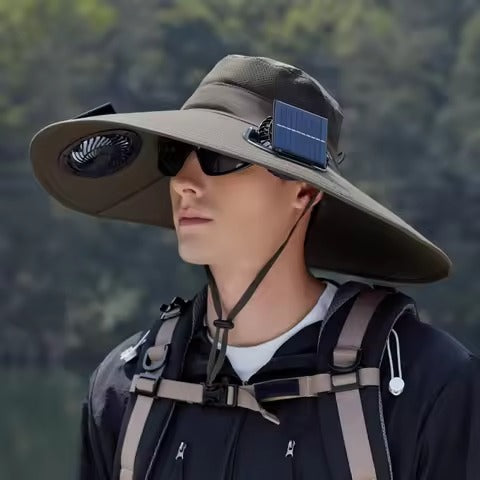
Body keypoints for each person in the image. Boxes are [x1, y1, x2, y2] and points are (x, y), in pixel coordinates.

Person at [30, 54, 480, 480]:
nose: (185, 182)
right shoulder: (123, 388)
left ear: (303, 191)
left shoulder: (422, 383)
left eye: (220, 157)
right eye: (175, 155)